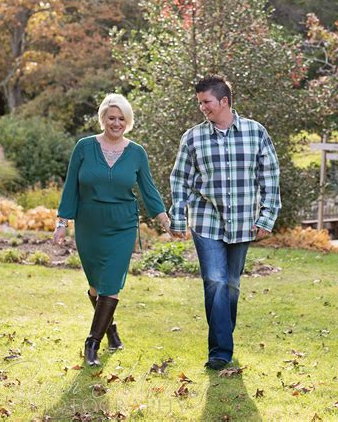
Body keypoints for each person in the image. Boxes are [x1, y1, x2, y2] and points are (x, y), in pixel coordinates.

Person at [169, 74, 281, 370]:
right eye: (200, 103)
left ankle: (223, 337)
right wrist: (178, 217)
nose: (202, 108)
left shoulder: (256, 133)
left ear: (224, 101)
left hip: (243, 221)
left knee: (231, 284)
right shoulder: (192, 137)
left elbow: (269, 177)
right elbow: (181, 179)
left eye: (206, 102)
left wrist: (267, 217)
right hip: (206, 221)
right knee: (215, 281)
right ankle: (220, 351)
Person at [53, 93, 170, 366]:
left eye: (121, 119)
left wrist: (165, 221)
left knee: (111, 285)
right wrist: (62, 223)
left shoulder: (136, 152)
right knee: (95, 286)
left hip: (122, 225)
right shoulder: (84, 147)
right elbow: (71, 186)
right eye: (111, 118)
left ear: (127, 121)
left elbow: (148, 190)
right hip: (89, 225)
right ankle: (111, 329)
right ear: (103, 119)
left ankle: (92, 344)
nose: (115, 123)